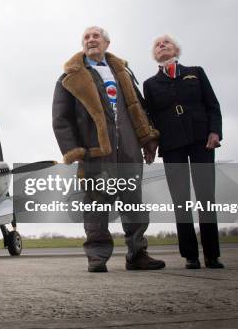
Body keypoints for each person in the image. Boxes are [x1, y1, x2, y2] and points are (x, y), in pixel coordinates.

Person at [52, 26, 165, 272]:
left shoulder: (123, 72)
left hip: (128, 149)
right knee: (96, 204)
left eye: (96, 36)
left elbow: (138, 108)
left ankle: (137, 254)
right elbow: (61, 120)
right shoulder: (68, 79)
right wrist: (74, 150)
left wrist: (147, 139)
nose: (91, 40)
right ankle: (97, 256)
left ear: (106, 43)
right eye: (86, 37)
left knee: (133, 203)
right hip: (94, 152)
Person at [143, 35, 224, 269]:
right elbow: (150, 118)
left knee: (206, 197)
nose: (161, 45)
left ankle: (212, 254)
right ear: (154, 55)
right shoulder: (150, 84)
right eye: (157, 44)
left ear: (175, 49)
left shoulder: (196, 73)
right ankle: (190, 255)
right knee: (181, 200)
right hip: (171, 143)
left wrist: (215, 131)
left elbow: (213, 105)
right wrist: (150, 144)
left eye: (165, 42)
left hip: (202, 140)